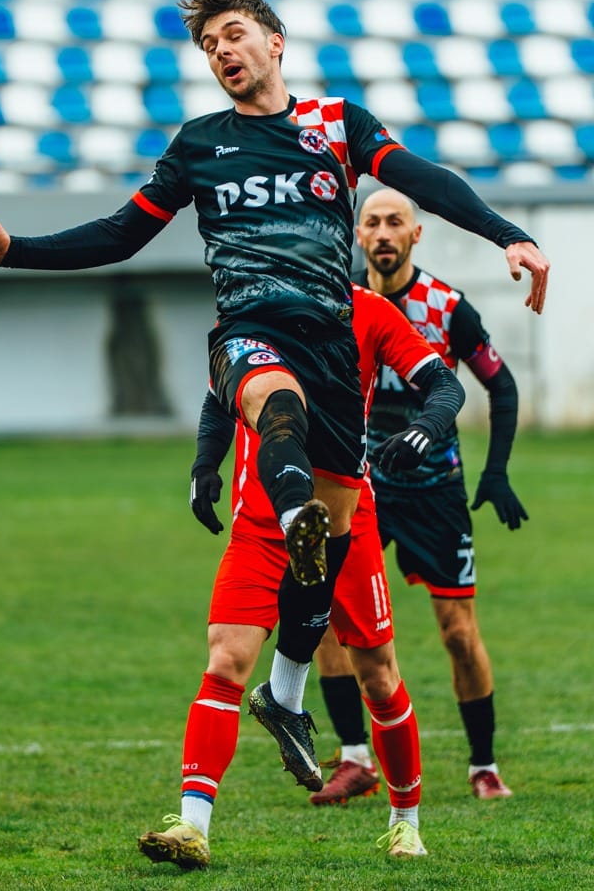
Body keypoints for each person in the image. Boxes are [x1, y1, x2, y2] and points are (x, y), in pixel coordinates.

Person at [0, 0, 547, 817]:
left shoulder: (336, 125)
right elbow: (122, 233)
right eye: (208, 45)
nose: (221, 51)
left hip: (333, 352)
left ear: (274, 42)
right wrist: (15, 250)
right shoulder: (199, 144)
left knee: (332, 537)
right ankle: (294, 521)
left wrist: (509, 235)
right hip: (249, 337)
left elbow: (425, 178)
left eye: (232, 35)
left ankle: (287, 694)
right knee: (275, 406)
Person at [138, 282, 465, 868]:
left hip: (345, 520)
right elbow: (220, 390)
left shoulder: (370, 311)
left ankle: (405, 824)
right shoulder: (250, 301)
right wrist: (205, 463)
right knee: (225, 659)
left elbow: (445, 384)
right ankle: (192, 826)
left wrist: (427, 428)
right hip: (261, 523)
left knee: (378, 674)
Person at [311, 186, 526, 805]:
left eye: (395, 222)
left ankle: (483, 765)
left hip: (434, 491)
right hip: (358, 489)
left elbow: (501, 386)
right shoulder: (335, 303)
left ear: (415, 234)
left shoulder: (447, 308)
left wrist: (495, 472)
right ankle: (356, 758)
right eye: (372, 222)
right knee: (327, 621)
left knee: (457, 631)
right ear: (357, 234)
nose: (383, 233)